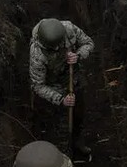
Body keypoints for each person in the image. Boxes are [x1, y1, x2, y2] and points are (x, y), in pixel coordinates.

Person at [29, 18, 94, 158]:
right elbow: (38, 85)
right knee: (57, 124)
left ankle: (76, 143)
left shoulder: (69, 29)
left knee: (78, 114)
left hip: (73, 78)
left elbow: (88, 43)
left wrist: (78, 55)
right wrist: (60, 99)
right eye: (54, 48)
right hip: (54, 86)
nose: (59, 49)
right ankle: (59, 153)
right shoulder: (37, 54)